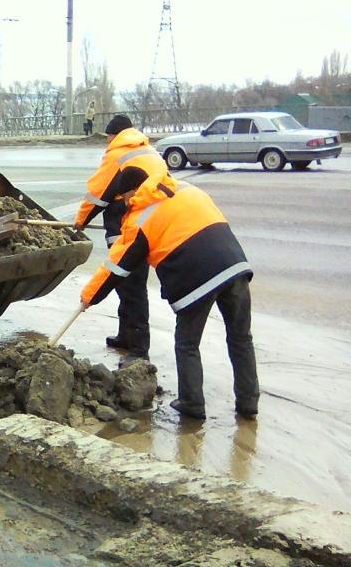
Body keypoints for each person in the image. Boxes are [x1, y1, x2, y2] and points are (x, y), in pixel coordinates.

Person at [77, 159, 258, 420]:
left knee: (187, 344)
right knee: (241, 338)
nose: (125, 203)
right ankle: (248, 403)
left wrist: (88, 298)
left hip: (198, 279)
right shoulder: (186, 189)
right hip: (235, 266)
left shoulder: (142, 217)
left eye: (125, 197)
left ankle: (192, 404)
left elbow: (117, 267)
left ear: (132, 191)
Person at [74, 115, 159, 363]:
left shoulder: (117, 154)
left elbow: (98, 195)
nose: (107, 142)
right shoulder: (148, 150)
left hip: (129, 226)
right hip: (152, 223)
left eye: (108, 137)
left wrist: (80, 222)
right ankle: (126, 336)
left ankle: (139, 350)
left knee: (130, 285)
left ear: (114, 135)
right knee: (126, 284)